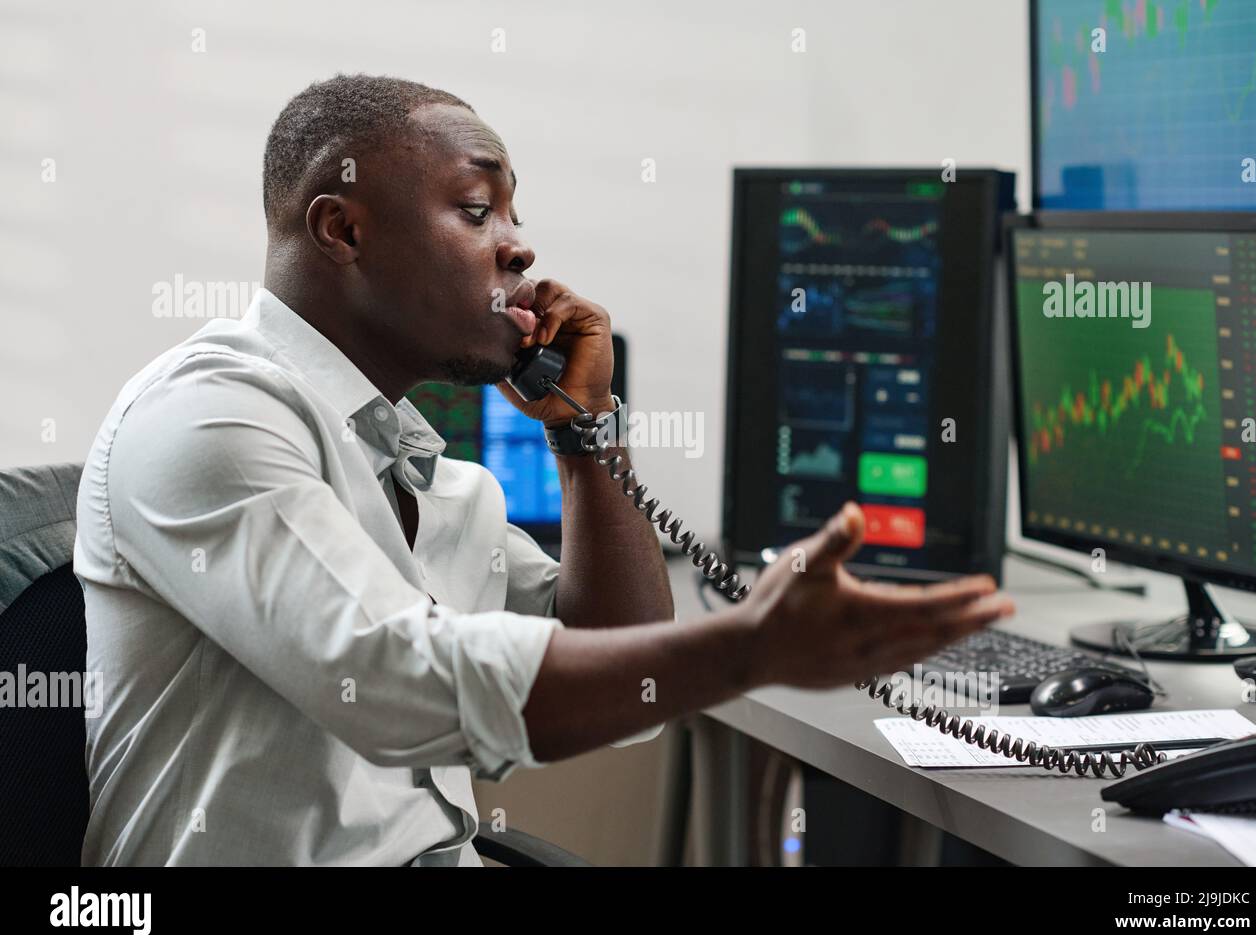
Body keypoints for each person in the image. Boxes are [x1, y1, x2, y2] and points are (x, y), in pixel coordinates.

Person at [73, 73, 1013, 865]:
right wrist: (747, 648)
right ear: (343, 231)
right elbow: (397, 686)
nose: (520, 246)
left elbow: (629, 690)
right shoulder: (207, 418)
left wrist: (585, 429)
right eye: (479, 210)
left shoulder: (433, 480)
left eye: (516, 213)